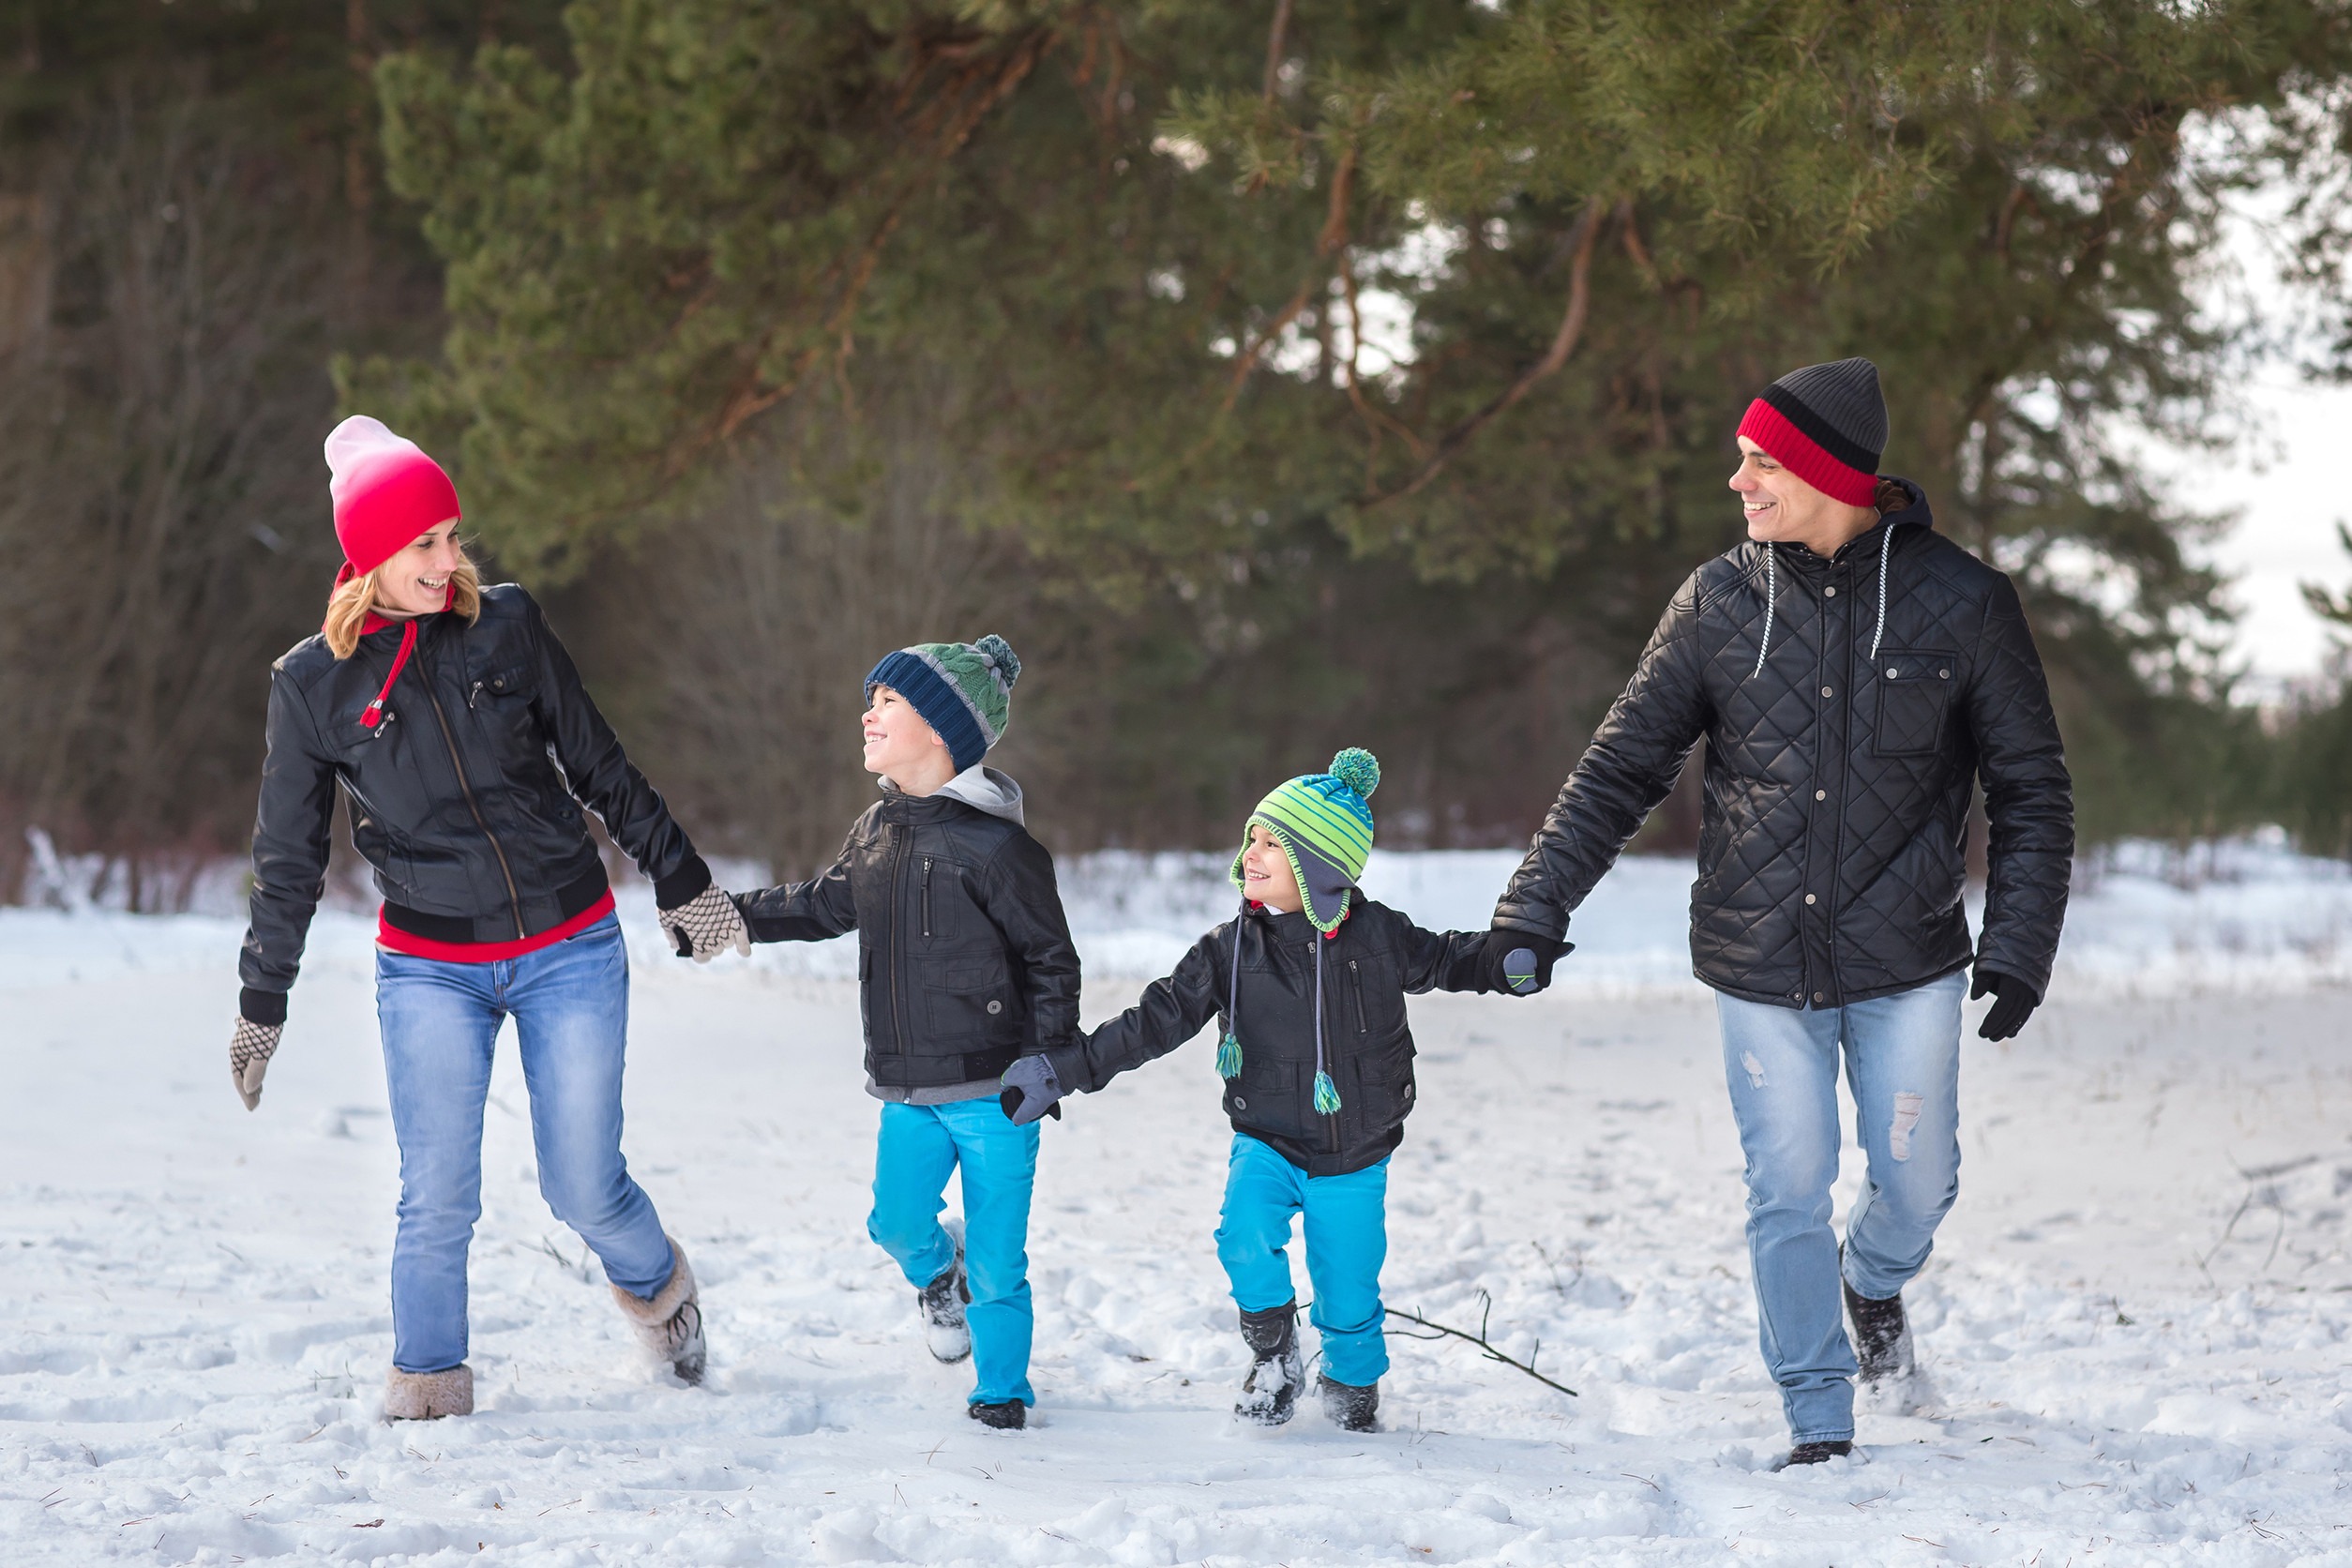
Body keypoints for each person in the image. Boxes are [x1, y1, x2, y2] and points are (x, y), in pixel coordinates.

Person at [1481, 358, 2073, 1467]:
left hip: (1909, 961)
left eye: (1760, 461)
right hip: (1758, 964)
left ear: (1824, 470)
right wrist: (1534, 907)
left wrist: (2022, 944)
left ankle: (1873, 1279)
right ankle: (1818, 1412)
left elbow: (2031, 786)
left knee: (1918, 1183)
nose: (1738, 480)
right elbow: (1620, 768)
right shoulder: (1717, 602)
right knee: (1787, 1183)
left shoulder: (1966, 601)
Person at [232, 416, 749, 1421]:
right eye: (424, 543)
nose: (449, 560)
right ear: (368, 556)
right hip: (430, 965)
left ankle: (664, 1293)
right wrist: (263, 1001)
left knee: (582, 1183)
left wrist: (684, 883)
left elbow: (602, 766)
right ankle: (427, 1385)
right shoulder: (311, 687)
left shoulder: (505, 625)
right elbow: (287, 861)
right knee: (435, 1196)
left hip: (569, 944)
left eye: (452, 535)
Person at [1001, 748, 1499, 1433]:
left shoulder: (1379, 935)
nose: (1252, 853)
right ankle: (1273, 1355)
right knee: (1242, 1237)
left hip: (1356, 1152)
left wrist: (1508, 961)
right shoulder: (1227, 950)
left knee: (1348, 1281)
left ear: (1321, 867)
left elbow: (1448, 957)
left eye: (1274, 843)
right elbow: (1154, 1021)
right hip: (1265, 1137)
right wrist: (1066, 1068)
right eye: (1253, 838)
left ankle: (1353, 1379)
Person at [732, 636, 1078, 1430]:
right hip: (907, 1088)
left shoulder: (1001, 849)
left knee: (998, 1260)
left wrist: (1049, 1064)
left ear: (942, 732)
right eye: (874, 699)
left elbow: (1051, 961)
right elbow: (823, 904)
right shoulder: (877, 832)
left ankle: (1001, 1389)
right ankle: (935, 1271)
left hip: (998, 1093)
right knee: (893, 1221)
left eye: (889, 701)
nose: (869, 712)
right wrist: (732, 918)